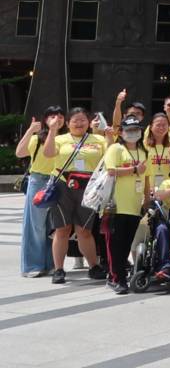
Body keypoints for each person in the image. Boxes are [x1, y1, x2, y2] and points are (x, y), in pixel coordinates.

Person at [43, 107, 108, 284]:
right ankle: (59, 269)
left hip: (89, 188)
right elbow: (48, 153)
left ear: (89, 122)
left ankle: (93, 266)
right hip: (63, 185)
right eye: (75, 120)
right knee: (62, 229)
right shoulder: (59, 138)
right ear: (68, 123)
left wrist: (108, 135)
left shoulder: (99, 139)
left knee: (84, 230)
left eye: (83, 120)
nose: (79, 123)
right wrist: (52, 129)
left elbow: (109, 159)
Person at [103, 116, 149, 293]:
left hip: (134, 205)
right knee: (116, 244)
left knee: (127, 243)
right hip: (116, 205)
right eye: (129, 130)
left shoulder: (143, 151)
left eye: (136, 130)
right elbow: (111, 171)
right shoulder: (116, 148)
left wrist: (147, 199)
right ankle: (117, 279)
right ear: (121, 132)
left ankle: (117, 275)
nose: (133, 133)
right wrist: (134, 169)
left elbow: (146, 178)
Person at [16, 107, 64, 277]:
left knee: (53, 225)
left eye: (60, 116)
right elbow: (20, 153)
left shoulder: (66, 139)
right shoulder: (37, 139)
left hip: (58, 181)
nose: (57, 119)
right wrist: (30, 130)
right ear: (45, 120)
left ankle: (51, 263)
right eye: (52, 116)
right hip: (38, 181)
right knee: (35, 224)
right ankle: (32, 265)